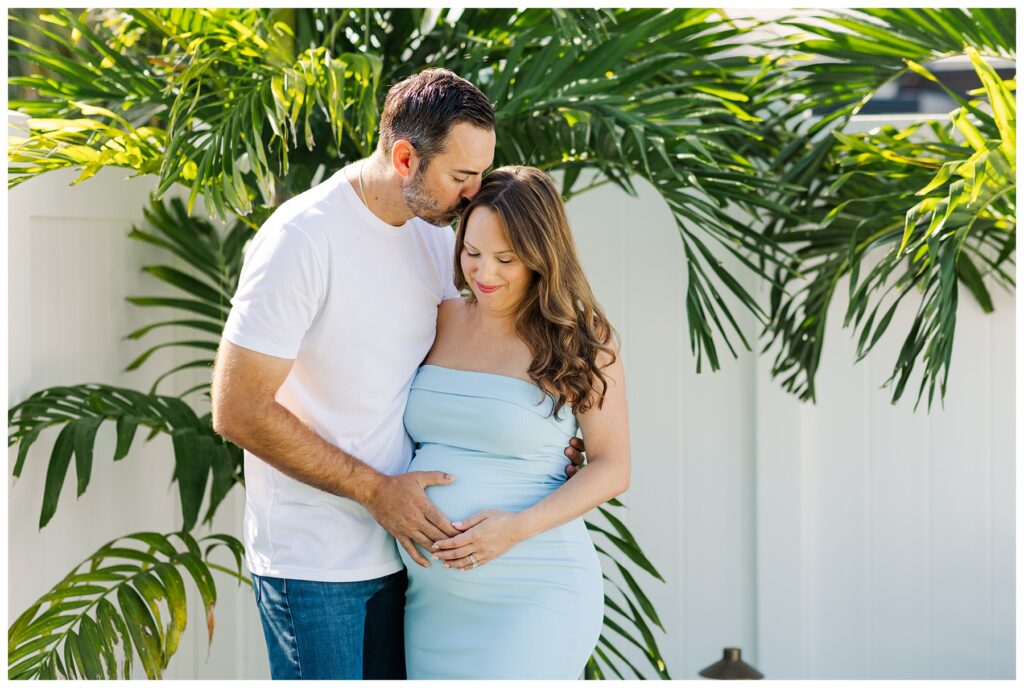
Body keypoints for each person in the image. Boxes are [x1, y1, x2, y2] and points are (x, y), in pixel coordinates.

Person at [210, 69, 585, 680]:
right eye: (461, 177)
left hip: (406, 561)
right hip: (316, 565)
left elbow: (474, 357)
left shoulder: (439, 238)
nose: (474, 196)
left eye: (480, 176)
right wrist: (376, 491)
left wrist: (546, 441)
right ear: (405, 157)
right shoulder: (303, 239)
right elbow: (237, 408)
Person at [399, 166, 631, 679]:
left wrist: (513, 531)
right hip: (432, 610)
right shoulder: (437, 319)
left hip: (535, 590)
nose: (485, 274)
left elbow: (613, 467)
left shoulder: (580, 338)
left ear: (541, 257)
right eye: (472, 253)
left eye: (506, 259)